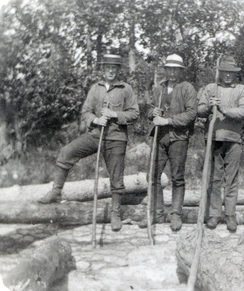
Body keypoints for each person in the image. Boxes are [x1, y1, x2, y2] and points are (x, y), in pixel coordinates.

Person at [38, 54, 139, 232]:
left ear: (118, 70)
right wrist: (95, 120)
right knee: (66, 152)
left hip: (116, 138)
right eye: (107, 67)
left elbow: (134, 113)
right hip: (95, 134)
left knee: (116, 177)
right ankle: (56, 191)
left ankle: (116, 213)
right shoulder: (95, 89)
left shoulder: (125, 89)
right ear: (103, 69)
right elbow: (85, 111)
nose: (110, 70)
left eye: (113, 67)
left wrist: (115, 115)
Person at [138, 54, 197, 232]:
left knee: (177, 177)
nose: (172, 72)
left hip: (178, 138)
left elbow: (191, 114)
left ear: (180, 71)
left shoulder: (187, 88)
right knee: (153, 175)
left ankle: (175, 214)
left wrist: (167, 121)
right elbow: (149, 110)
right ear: (165, 70)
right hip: (159, 137)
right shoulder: (159, 88)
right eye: (169, 69)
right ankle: (156, 213)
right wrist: (152, 112)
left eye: (176, 69)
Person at [197, 55, 244, 232]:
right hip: (213, 138)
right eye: (225, 72)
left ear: (235, 74)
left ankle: (230, 215)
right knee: (214, 178)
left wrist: (223, 109)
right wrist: (208, 106)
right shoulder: (211, 88)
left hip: (233, 140)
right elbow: (200, 110)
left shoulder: (242, 89)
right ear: (220, 72)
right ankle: (214, 214)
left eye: (231, 72)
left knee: (231, 179)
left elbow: (243, 111)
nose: (228, 75)